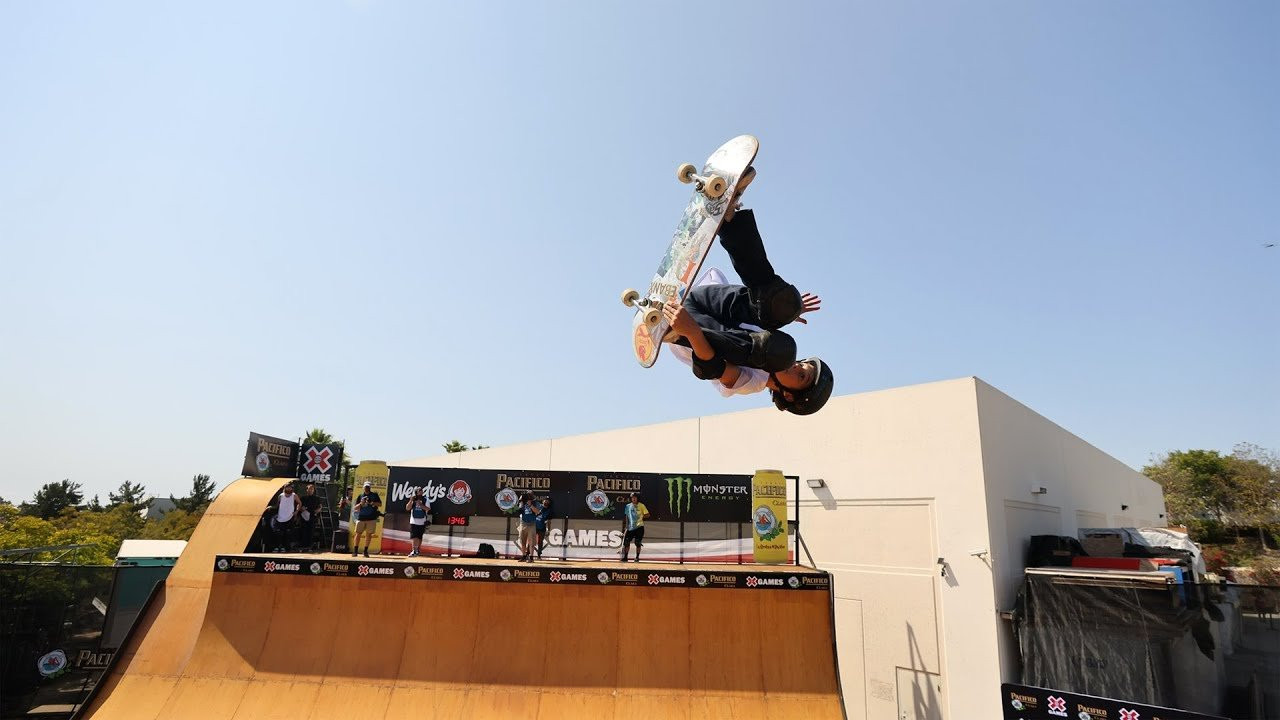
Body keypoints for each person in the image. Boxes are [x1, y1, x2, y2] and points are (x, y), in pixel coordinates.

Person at [660, 170, 835, 416]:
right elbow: (753, 305)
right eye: (802, 365)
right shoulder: (768, 347)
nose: (796, 367)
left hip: (688, 327)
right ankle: (728, 216)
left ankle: (675, 334)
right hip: (704, 300)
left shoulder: (753, 382)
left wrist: (689, 332)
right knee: (785, 311)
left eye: (801, 376)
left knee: (781, 352)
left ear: (788, 394)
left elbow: (713, 367)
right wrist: (782, 309)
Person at [351, 481, 382, 558]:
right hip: (361, 518)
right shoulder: (360, 496)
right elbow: (355, 508)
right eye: (365, 487)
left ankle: (365, 551)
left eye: (368, 487)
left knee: (368, 535)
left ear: (370, 487)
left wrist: (372, 503)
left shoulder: (374, 495)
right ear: (363, 487)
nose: (367, 488)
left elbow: (380, 504)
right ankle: (355, 551)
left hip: (371, 518)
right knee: (358, 534)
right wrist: (361, 503)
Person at [620, 492, 649, 562]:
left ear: (637, 498)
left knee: (637, 542)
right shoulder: (628, 506)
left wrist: (641, 516)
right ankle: (625, 557)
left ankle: (637, 557)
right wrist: (626, 526)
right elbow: (626, 517)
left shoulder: (641, 505)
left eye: (635, 497)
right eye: (632, 498)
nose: (634, 499)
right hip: (630, 527)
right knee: (626, 542)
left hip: (639, 527)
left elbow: (647, 515)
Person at [270, 484, 301, 552]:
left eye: (290, 487)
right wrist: (271, 507)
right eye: (287, 487)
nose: (289, 489)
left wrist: (296, 511)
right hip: (280, 516)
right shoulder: (280, 496)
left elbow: (299, 503)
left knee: (288, 532)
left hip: (290, 516)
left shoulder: (294, 495)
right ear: (285, 488)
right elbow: (277, 505)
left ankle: (285, 547)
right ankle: (278, 546)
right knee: (279, 532)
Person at [405, 487, 431, 557]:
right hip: (414, 521)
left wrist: (421, 505)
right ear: (416, 492)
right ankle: (414, 550)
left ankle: (418, 550)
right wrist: (411, 500)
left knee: (419, 537)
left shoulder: (425, 499)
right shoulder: (413, 499)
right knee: (414, 536)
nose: (420, 492)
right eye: (419, 491)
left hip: (422, 521)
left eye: (421, 491)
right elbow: (407, 508)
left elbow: (428, 509)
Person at [517, 494, 541, 563]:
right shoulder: (522, 503)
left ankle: (531, 557)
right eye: (527, 497)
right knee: (522, 541)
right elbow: (519, 511)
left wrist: (530, 505)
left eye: (529, 497)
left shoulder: (535, 503)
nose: (528, 499)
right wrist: (521, 503)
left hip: (532, 524)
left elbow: (537, 512)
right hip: (523, 523)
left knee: (531, 542)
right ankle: (523, 556)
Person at [297, 483, 322, 551]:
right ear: (307, 490)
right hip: (304, 516)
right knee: (303, 530)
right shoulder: (303, 498)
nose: (310, 490)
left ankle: (309, 545)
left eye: (312, 489)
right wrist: (301, 509)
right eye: (309, 489)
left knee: (311, 531)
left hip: (312, 516)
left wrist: (318, 510)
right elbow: (299, 506)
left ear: (313, 490)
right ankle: (303, 545)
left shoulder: (317, 498)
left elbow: (320, 507)